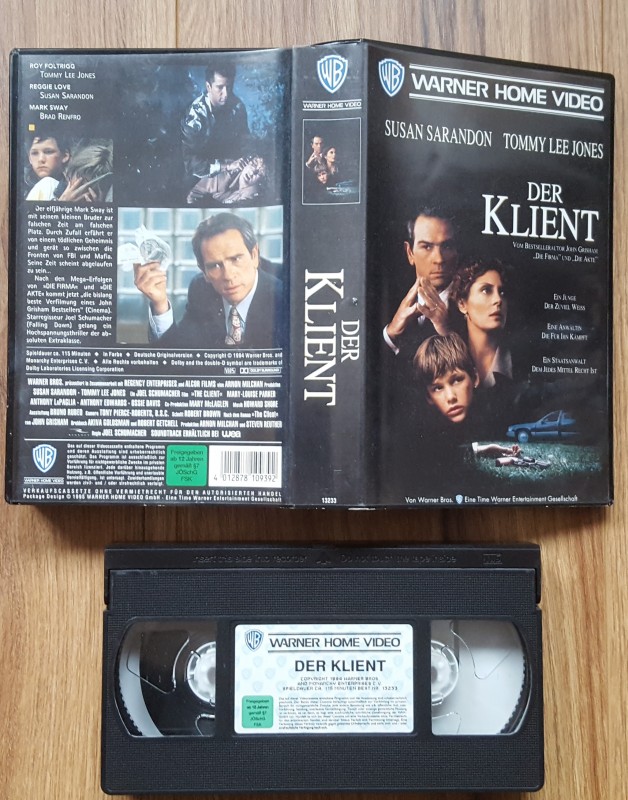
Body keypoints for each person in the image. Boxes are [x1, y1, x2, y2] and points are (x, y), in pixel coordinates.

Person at [133, 212, 283, 349]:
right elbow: (179, 352)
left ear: (254, 255)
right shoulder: (201, 289)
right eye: (215, 266)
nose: (228, 276)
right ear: (203, 271)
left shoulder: (283, 297)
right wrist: (160, 303)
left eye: (236, 259)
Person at [383, 206, 459, 362]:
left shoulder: (474, 304)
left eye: (447, 246)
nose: (439, 259)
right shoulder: (387, 301)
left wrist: (446, 331)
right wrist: (390, 335)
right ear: (410, 253)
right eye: (427, 247)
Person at [450, 259, 513, 438]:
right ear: (462, 304)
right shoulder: (449, 362)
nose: (498, 300)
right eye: (486, 290)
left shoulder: (524, 366)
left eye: (502, 292)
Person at [181, 61, 250, 184]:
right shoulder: (195, 116)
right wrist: (226, 166)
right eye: (220, 87)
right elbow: (191, 164)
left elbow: (245, 144)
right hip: (199, 179)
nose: (226, 94)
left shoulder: (238, 107)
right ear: (208, 87)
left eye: (229, 87)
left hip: (231, 175)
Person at [27, 141, 113, 203]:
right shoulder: (46, 187)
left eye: (90, 187)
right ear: (69, 174)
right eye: (80, 183)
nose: (81, 191)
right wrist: (62, 205)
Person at [24, 131, 70, 196]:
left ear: (65, 156)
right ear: (30, 159)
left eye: (48, 152)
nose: (41, 159)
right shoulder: (19, 189)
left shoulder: (77, 187)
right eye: (35, 153)